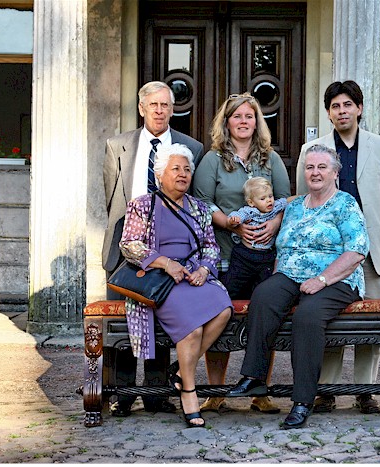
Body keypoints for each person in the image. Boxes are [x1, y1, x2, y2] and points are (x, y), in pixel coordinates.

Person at [226, 144, 369, 429]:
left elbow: (356, 251)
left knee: (307, 315)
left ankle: (303, 400)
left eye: (322, 167)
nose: (315, 172)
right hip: (291, 275)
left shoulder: (345, 204)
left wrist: (322, 279)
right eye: (310, 167)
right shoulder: (293, 206)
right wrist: (277, 277)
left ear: (335, 173)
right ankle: (254, 377)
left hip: (336, 279)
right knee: (264, 295)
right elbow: (282, 249)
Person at [297, 80, 380, 414]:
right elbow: (304, 198)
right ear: (328, 113)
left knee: (371, 317)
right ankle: (326, 389)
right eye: (335, 106)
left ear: (359, 108)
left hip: (369, 247)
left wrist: (370, 229)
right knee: (327, 316)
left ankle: (365, 390)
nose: (342, 111)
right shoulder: (312, 150)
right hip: (327, 250)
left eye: (347, 105)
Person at [103, 81, 204, 416]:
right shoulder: (117, 145)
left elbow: (192, 199)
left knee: (162, 316)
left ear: (173, 109)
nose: (160, 111)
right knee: (122, 324)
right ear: (141, 108)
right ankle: (122, 393)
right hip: (126, 247)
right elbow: (111, 198)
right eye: (154, 105)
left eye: (165, 105)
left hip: (170, 250)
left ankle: (157, 393)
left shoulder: (192, 148)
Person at [119, 143, 232, 428]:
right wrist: (165, 263)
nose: (183, 174)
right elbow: (129, 245)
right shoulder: (142, 205)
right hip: (162, 280)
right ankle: (189, 392)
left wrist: (204, 269)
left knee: (224, 308)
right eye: (176, 169)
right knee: (192, 328)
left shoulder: (199, 208)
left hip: (194, 276)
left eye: (187, 169)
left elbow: (211, 246)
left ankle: (181, 372)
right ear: (160, 175)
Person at [193, 92, 291, 414]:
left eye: (249, 116)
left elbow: (286, 199)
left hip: (264, 255)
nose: (244, 121)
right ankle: (216, 392)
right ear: (227, 122)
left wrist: (274, 224)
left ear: (257, 121)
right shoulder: (212, 159)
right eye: (237, 116)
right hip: (225, 251)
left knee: (265, 317)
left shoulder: (270, 159)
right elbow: (203, 202)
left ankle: (259, 391)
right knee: (218, 316)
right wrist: (231, 226)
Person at [223, 177, 289, 298]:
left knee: (263, 287)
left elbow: (288, 200)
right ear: (251, 202)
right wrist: (233, 220)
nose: (269, 200)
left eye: (270, 196)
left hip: (266, 257)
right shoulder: (249, 211)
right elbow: (236, 215)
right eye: (263, 198)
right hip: (244, 255)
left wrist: (306, 195)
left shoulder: (275, 207)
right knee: (233, 283)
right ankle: (226, 303)